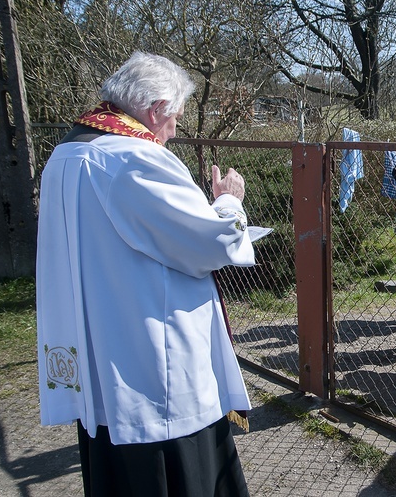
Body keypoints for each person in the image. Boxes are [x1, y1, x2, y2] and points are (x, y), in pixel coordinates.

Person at [36, 51, 255, 495]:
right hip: (155, 370)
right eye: (174, 118)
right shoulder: (134, 158)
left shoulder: (67, 152)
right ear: (155, 110)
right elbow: (209, 243)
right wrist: (228, 202)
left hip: (103, 361)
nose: (175, 131)